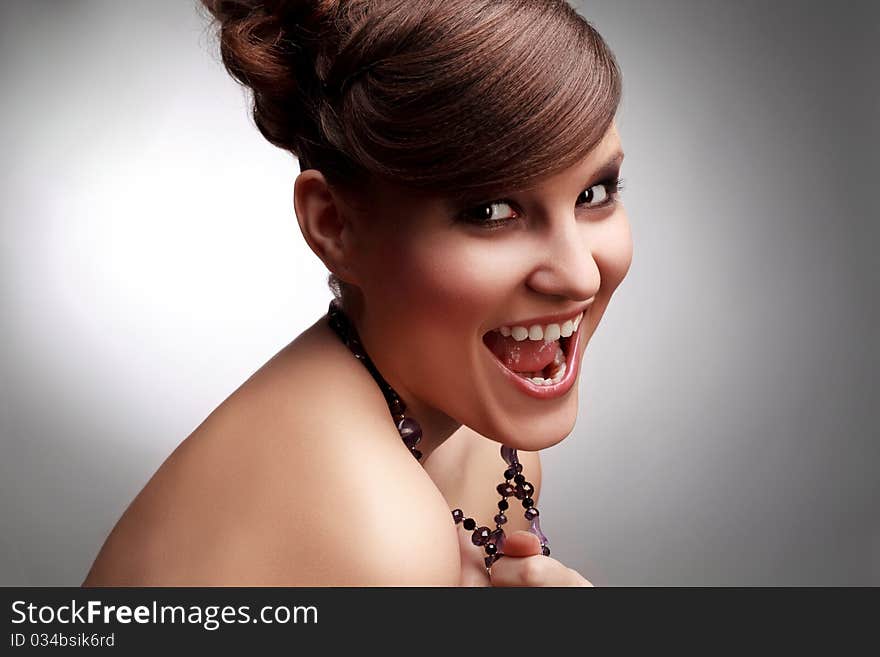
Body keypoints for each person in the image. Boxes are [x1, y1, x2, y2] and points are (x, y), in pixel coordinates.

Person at [82, 0, 632, 587]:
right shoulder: (366, 525)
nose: (580, 275)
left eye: (595, 193)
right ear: (334, 225)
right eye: (491, 210)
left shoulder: (486, 450)